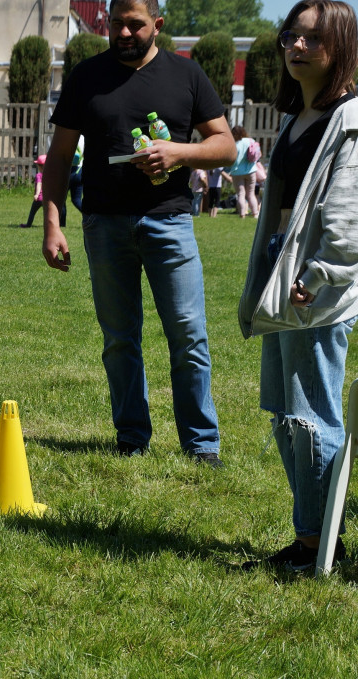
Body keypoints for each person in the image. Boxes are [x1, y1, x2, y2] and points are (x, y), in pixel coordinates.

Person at [40, 0, 236, 467]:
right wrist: (52, 223)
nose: (125, 33)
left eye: (136, 24)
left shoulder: (186, 75)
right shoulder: (87, 76)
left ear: (158, 25)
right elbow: (60, 156)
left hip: (169, 221)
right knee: (119, 337)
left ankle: (201, 443)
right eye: (118, 24)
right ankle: (131, 435)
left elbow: (225, 146)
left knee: (188, 334)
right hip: (104, 224)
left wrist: (179, 154)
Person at [239, 0, 358, 571]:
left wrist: (319, 276)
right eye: (291, 36)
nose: (297, 47)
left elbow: (347, 218)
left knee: (312, 415)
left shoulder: (350, 118)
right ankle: (315, 535)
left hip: (315, 286)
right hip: (282, 275)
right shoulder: (297, 118)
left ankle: (318, 545)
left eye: (312, 38)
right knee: (287, 413)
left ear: (340, 46)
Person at [228, 125, 261, 218]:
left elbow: (233, 160)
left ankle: (242, 214)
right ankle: (255, 213)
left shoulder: (234, 144)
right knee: (251, 194)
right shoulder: (250, 141)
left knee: (241, 194)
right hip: (251, 171)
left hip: (237, 172)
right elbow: (257, 155)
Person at [19, 155, 48, 228]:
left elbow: (39, 184)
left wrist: (37, 194)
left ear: (39, 166)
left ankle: (28, 224)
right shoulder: (50, 175)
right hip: (47, 198)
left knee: (32, 212)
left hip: (39, 198)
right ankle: (48, 226)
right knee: (47, 213)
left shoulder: (39, 175)